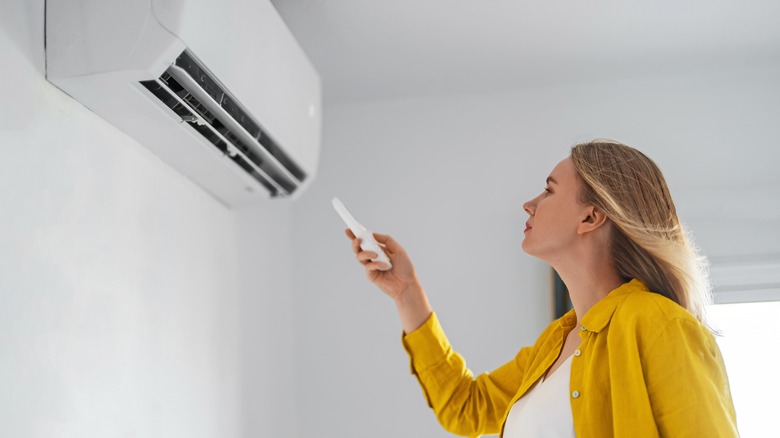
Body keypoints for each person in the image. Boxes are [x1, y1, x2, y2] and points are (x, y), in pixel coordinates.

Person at [344, 140, 738, 437]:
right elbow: (467, 407)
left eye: (549, 190)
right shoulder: (555, 343)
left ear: (591, 216)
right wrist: (406, 293)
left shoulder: (657, 323)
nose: (529, 204)